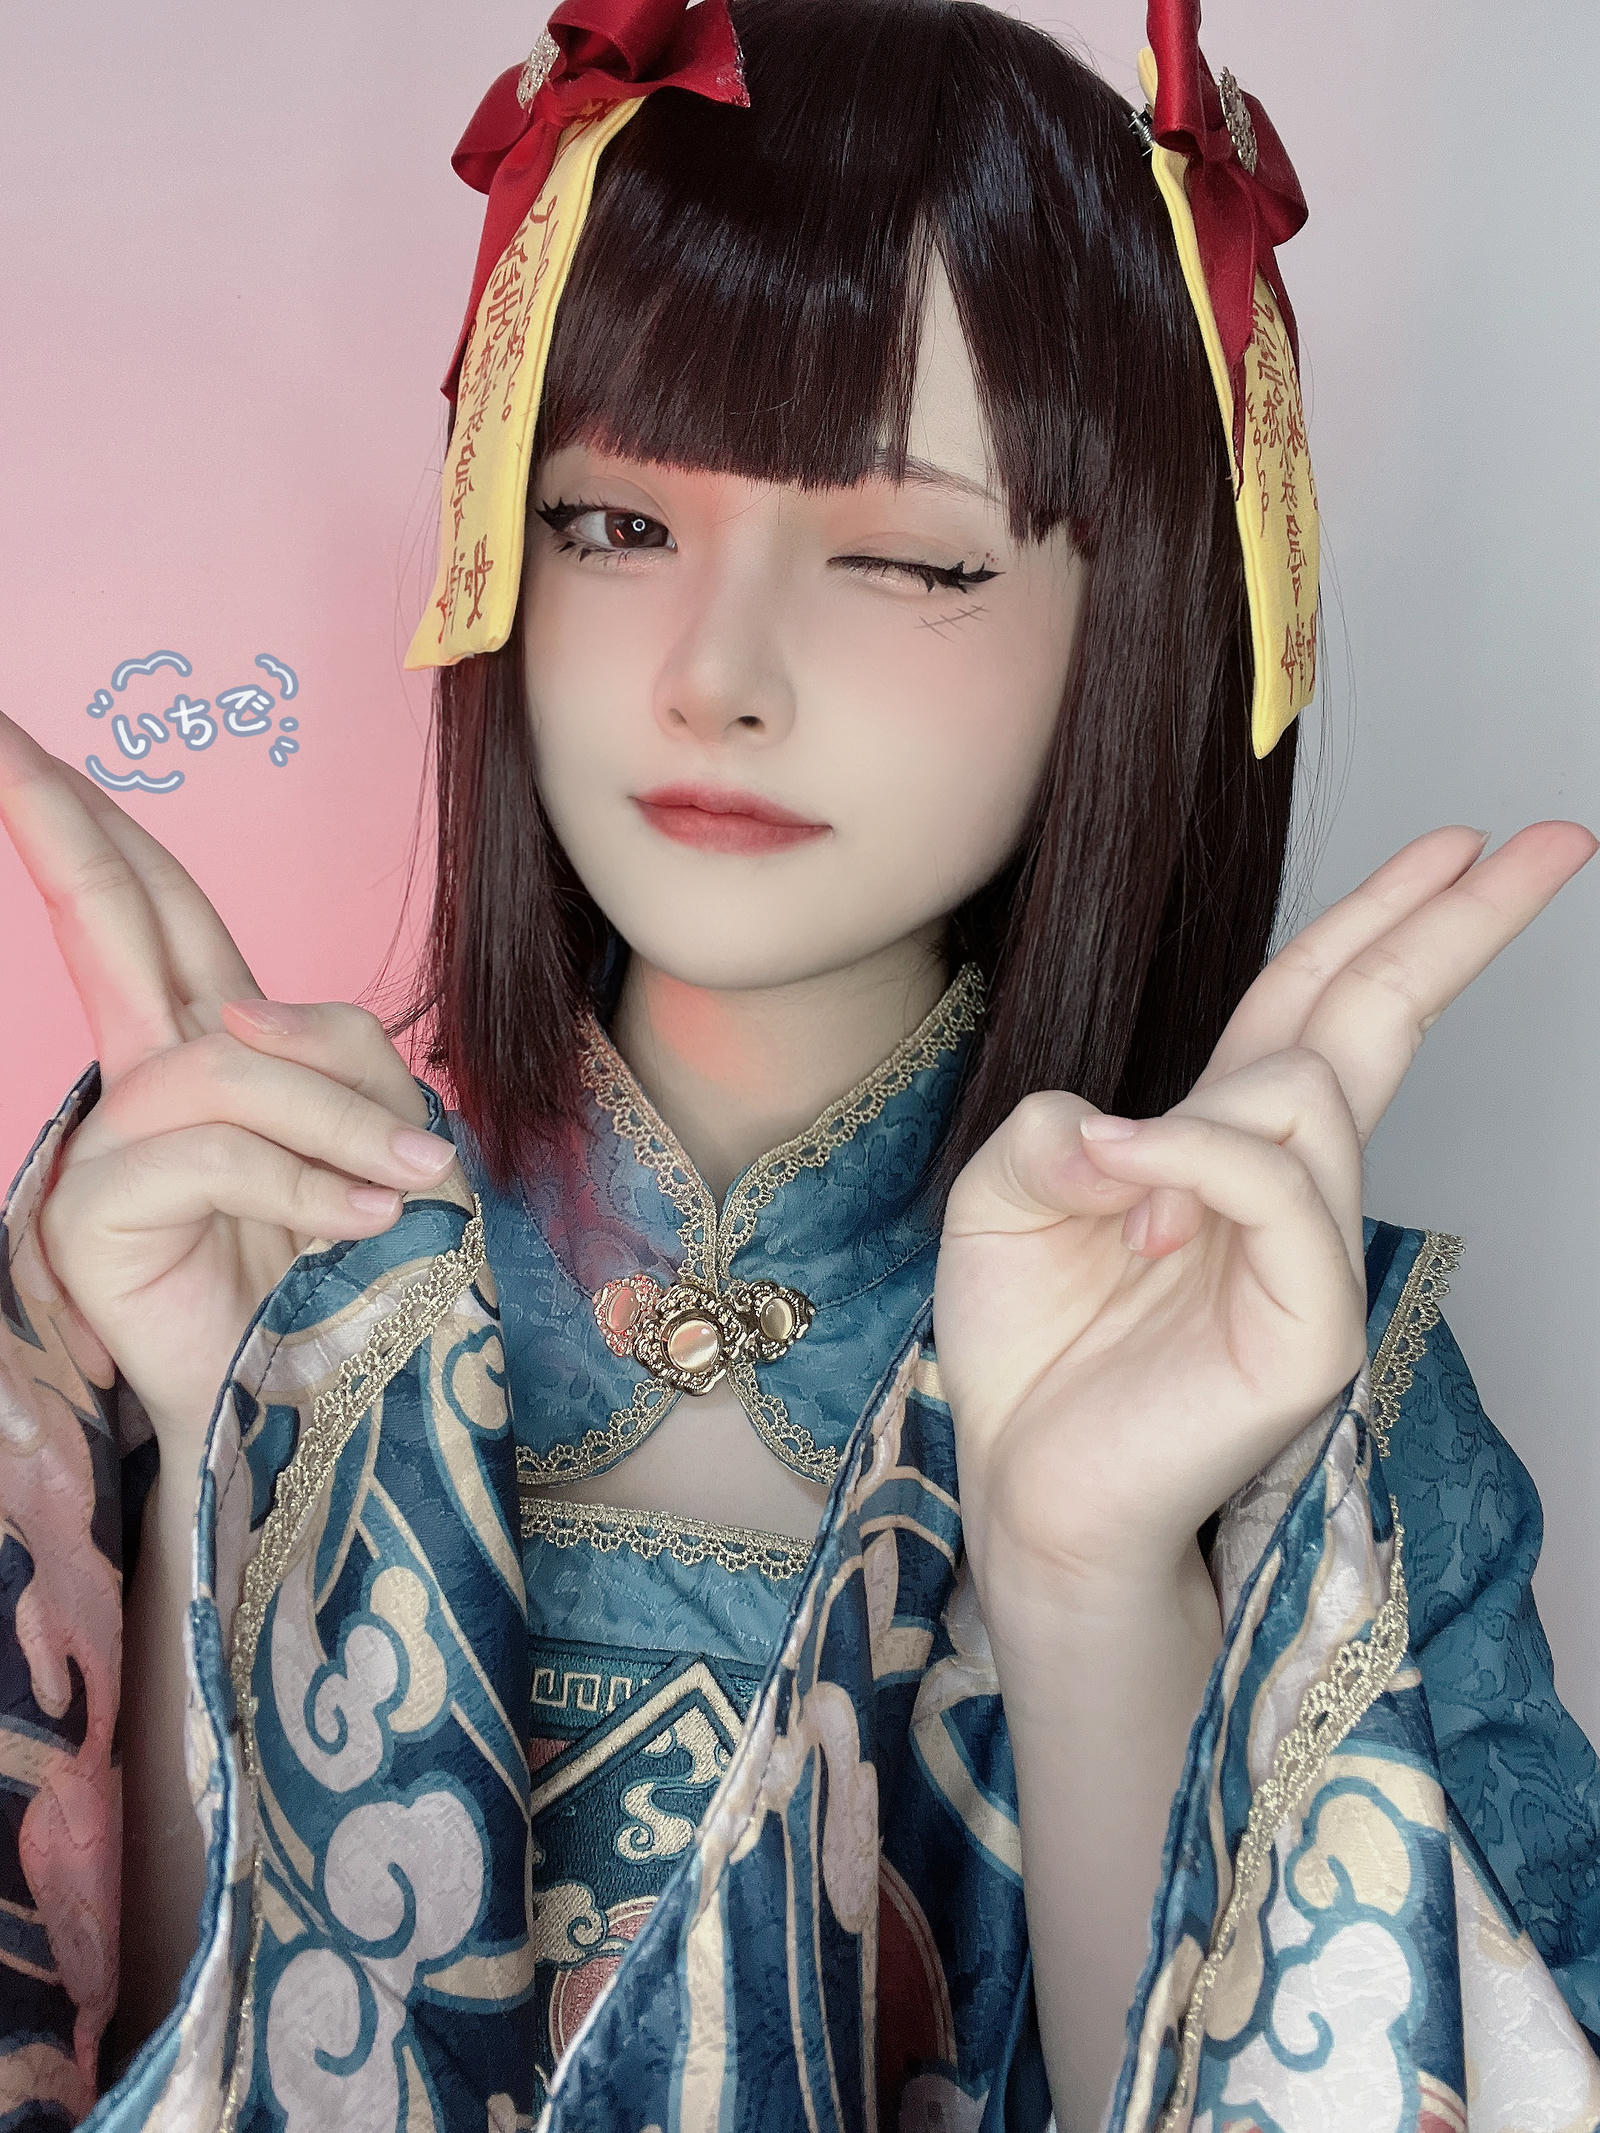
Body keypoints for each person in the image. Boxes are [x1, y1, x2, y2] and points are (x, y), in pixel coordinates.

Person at [0, 0, 1596, 2126]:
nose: (716, 673)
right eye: (611, 525)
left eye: (908, 558)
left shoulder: (1314, 1382)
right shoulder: (181, 1260)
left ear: (1136, 623)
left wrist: (1094, 1594)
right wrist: (239, 1455)